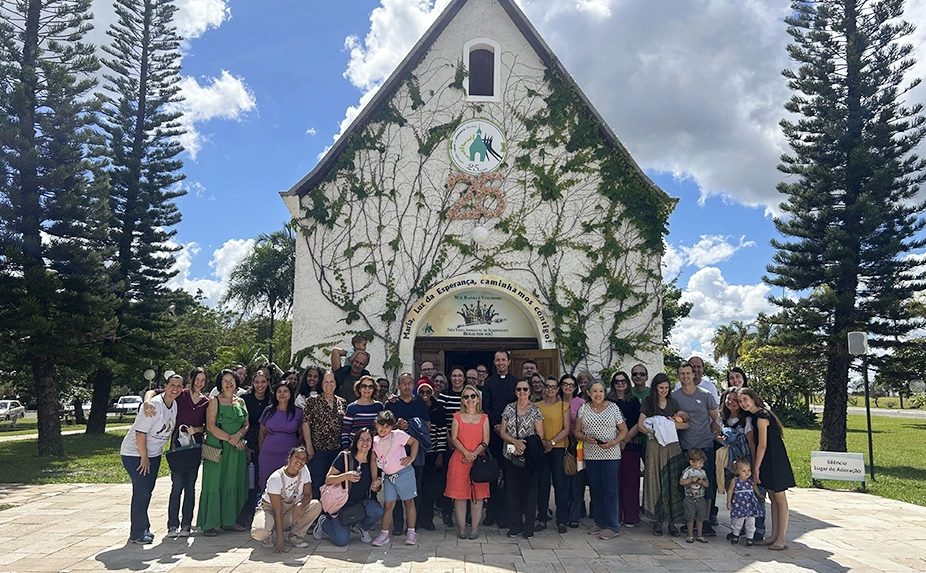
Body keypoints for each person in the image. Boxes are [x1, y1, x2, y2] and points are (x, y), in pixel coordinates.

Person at [141, 368, 210, 538]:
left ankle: (186, 524)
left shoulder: (206, 402)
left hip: (194, 448)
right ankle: (173, 525)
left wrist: (197, 429)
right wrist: (147, 402)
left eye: (203, 380)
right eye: (197, 379)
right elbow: (152, 391)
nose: (199, 383)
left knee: (191, 487)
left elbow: (208, 426)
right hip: (177, 447)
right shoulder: (181, 394)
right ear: (191, 379)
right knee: (177, 486)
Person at [120, 373, 182, 543]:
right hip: (135, 453)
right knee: (141, 491)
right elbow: (140, 433)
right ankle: (137, 533)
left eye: (179, 386)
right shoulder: (154, 405)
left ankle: (143, 527)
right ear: (165, 386)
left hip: (153, 454)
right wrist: (144, 457)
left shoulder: (174, 404)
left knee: (147, 491)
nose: (175, 389)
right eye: (172, 385)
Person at [739, 388, 795, 551]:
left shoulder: (762, 416)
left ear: (753, 398)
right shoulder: (755, 416)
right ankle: (773, 535)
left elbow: (762, 445)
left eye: (745, 399)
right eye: (740, 401)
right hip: (767, 459)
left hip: (774, 459)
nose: (743, 403)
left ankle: (781, 538)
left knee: (779, 498)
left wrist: (756, 468)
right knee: (772, 496)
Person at [198, 369, 249, 536]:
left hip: (236, 449)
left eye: (232, 380)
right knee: (214, 483)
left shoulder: (240, 401)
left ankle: (230, 521)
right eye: (225, 380)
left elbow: (246, 424)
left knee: (233, 482)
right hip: (218, 448)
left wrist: (238, 436)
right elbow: (211, 426)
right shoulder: (214, 401)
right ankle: (210, 523)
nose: (229, 383)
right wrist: (230, 438)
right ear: (220, 384)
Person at [672, 361, 721, 536]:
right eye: (682, 373)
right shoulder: (675, 396)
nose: (685, 376)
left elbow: (716, 419)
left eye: (688, 373)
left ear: (694, 374)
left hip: (704, 445)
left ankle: (705, 521)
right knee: (687, 484)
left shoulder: (706, 395)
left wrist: (719, 435)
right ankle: (689, 521)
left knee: (706, 485)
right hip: (685, 446)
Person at [313, 428, 385, 546]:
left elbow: (376, 487)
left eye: (368, 440)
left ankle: (361, 528)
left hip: (360, 504)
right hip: (340, 506)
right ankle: (324, 523)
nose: (365, 443)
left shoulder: (373, 461)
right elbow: (328, 479)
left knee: (377, 511)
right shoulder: (344, 457)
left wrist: (376, 485)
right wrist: (346, 476)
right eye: (361, 439)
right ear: (356, 441)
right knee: (341, 541)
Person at [575, 381, 628, 540]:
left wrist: (614, 442)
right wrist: (585, 437)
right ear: (589, 393)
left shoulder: (613, 408)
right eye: (594, 391)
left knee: (610, 490)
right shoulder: (583, 409)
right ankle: (600, 521)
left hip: (610, 454)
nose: (598, 394)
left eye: (601, 391)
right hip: (591, 455)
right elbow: (576, 431)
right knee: (596, 489)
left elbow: (623, 430)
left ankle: (612, 525)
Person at [639, 373, 687, 537]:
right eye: (661, 388)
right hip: (654, 445)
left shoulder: (673, 403)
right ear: (655, 388)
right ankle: (658, 520)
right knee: (655, 480)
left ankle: (672, 521)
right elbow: (640, 425)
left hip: (671, 446)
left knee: (672, 481)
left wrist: (669, 424)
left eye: (666, 388)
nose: (664, 391)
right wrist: (653, 431)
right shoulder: (648, 402)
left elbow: (685, 423)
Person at [251, 446, 322, 551]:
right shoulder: (275, 478)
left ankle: (294, 535)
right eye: (297, 457)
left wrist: (300, 504)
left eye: (303, 459)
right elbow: (277, 511)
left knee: (315, 505)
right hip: (270, 510)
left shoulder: (304, 471)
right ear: (289, 458)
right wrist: (280, 541)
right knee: (259, 532)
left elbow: (308, 494)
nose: (300, 461)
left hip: (290, 509)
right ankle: (268, 534)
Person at [385, 372, 430, 534]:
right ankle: (397, 525)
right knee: (395, 490)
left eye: (410, 383)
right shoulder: (392, 404)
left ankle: (413, 524)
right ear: (398, 386)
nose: (406, 386)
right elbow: (383, 429)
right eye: (403, 383)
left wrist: (411, 427)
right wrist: (396, 426)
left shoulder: (420, 404)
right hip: (395, 455)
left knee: (414, 489)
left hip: (416, 454)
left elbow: (427, 427)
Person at [718, 388, 764, 541]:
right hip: (730, 463)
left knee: (751, 495)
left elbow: (751, 443)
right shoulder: (723, 419)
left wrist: (752, 463)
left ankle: (757, 530)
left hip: (744, 462)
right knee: (736, 497)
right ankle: (737, 530)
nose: (731, 402)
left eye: (735, 400)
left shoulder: (747, 421)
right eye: (728, 399)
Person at [499, 379, 544, 539]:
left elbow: (540, 434)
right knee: (513, 491)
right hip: (510, 454)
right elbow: (502, 432)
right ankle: (514, 526)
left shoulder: (536, 410)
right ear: (515, 391)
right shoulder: (509, 408)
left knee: (530, 492)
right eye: (519, 389)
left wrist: (524, 445)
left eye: (525, 389)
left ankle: (528, 527)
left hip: (529, 455)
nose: (522, 392)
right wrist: (515, 442)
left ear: (530, 391)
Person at [445, 384, 490, 539]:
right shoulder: (457, 416)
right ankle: (462, 529)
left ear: (478, 399)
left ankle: (475, 528)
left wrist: (474, 454)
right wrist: (466, 452)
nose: (470, 399)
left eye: (473, 396)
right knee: (460, 496)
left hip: (478, 462)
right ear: (462, 400)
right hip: (459, 460)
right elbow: (454, 438)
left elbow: (486, 440)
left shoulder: (484, 418)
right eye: (466, 396)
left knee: (477, 496)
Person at [370, 410, 420, 547]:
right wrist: (375, 478)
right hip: (388, 477)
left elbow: (414, 442)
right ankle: (384, 534)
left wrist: (412, 458)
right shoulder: (374, 441)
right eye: (381, 425)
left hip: (404, 473)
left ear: (392, 427)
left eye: (387, 426)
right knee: (388, 505)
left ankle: (411, 532)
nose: (383, 429)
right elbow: (373, 460)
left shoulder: (398, 435)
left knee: (409, 502)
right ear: (376, 425)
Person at [480, 350, 518, 528]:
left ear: (509, 362)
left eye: (504, 359)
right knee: (493, 474)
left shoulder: (516, 382)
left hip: (510, 436)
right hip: (494, 436)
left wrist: (506, 427)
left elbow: (517, 406)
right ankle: (491, 512)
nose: (501, 362)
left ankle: (507, 514)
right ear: (494, 363)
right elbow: (485, 406)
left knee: (510, 475)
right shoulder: (489, 383)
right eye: (498, 360)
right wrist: (496, 424)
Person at [303, 370, 347, 498]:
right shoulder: (312, 401)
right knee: (318, 482)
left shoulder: (342, 402)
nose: (329, 384)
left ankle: (331, 512)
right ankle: (317, 512)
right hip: (318, 450)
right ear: (321, 384)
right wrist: (309, 446)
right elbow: (306, 424)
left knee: (335, 484)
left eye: (332, 381)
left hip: (336, 450)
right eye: (326, 382)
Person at [607, 371, 642, 528]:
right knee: (614, 482)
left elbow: (639, 422)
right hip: (612, 445)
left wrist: (625, 439)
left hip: (631, 445)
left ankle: (631, 516)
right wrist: (617, 440)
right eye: (616, 381)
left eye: (623, 381)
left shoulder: (634, 401)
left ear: (627, 383)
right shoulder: (608, 402)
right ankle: (616, 515)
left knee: (630, 481)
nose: (620, 384)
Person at [536, 375, 570, 533]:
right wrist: (543, 442)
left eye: (553, 387)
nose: (550, 389)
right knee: (542, 484)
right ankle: (542, 518)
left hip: (557, 448)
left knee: (559, 484)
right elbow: (535, 427)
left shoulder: (563, 406)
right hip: (541, 448)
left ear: (558, 389)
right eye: (548, 386)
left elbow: (566, 428)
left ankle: (561, 520)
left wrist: (552, 443)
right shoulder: (536, 406)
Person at [238, 368, 271, 529]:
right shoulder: (244, 399)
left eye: (263, 382)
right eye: (257, 382)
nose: (260, 385)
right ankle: (244, 514)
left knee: (260, 480)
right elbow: (242, 422)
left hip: (266, 442)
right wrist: (245, 445)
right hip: (248, 443)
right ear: (252, 383)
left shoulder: (272, 400)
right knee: (247, 481)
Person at [258, 382, 304, 493]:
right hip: (268, 455)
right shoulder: (268, 411)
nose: (282, 394)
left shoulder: (298, 412)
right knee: (267, 484)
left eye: (285, 391)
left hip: (288, 456)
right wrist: (262, 450)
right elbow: (262, 433)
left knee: (287, 484)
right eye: (279, 391)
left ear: (290, 393)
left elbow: (302, 433)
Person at [417, 383, 449, 530]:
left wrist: (440, 454)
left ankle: (427, 519)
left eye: (427, 391)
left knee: (429, 488)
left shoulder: (439, 408)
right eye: (421, 391)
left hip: (432, 453)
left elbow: (442, 432)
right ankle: (415, 520)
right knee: (417, 487)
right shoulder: (415, 405)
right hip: (416, 453)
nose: (425, 394)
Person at [560, 374, 585, 528]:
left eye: (571, 385)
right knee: (563, 481)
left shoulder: (581, 403)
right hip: (560, 445)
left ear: (575, 387)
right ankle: (564, 510)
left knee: (577, 481)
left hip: (578, 445)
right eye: (565, 384)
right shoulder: (556, 402)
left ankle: (574, 515)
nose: (568, 387)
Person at [341, 375, 383, 448]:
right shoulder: (352, 407)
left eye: (370, 387)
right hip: (355, 447)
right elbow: (345, 430)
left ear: (374, 389)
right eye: (364, 386)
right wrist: (345, 448)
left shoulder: (379, 406)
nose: (367, 389)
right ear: (359, 388)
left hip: (374, 447)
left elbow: (382, 428)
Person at [726, 458, 761, 546]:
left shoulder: (750, 481)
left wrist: (759, 494)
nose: (747, 473)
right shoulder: (735, 481)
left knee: (751, 522)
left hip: (750, 505)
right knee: (737, 521)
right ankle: (735, 535)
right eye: (744, 471)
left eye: (749, 470)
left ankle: (750, 537)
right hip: (739, 505)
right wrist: (728, 502)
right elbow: (730, 491)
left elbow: (755, 488)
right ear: (737, 471)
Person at [680, 448, 709, 544]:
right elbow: (681, 482)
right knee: (690, 517)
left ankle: (700, 535)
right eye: (699, 463)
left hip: (700, 497)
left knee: (700, 517)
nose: (702, 465)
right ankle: (690, 534)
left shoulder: (703, 472)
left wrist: (702, 482)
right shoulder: (687, 471)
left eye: (702, 463)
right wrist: (691, 480)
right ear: (692, 462)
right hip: (689, 498)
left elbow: (707, 484)